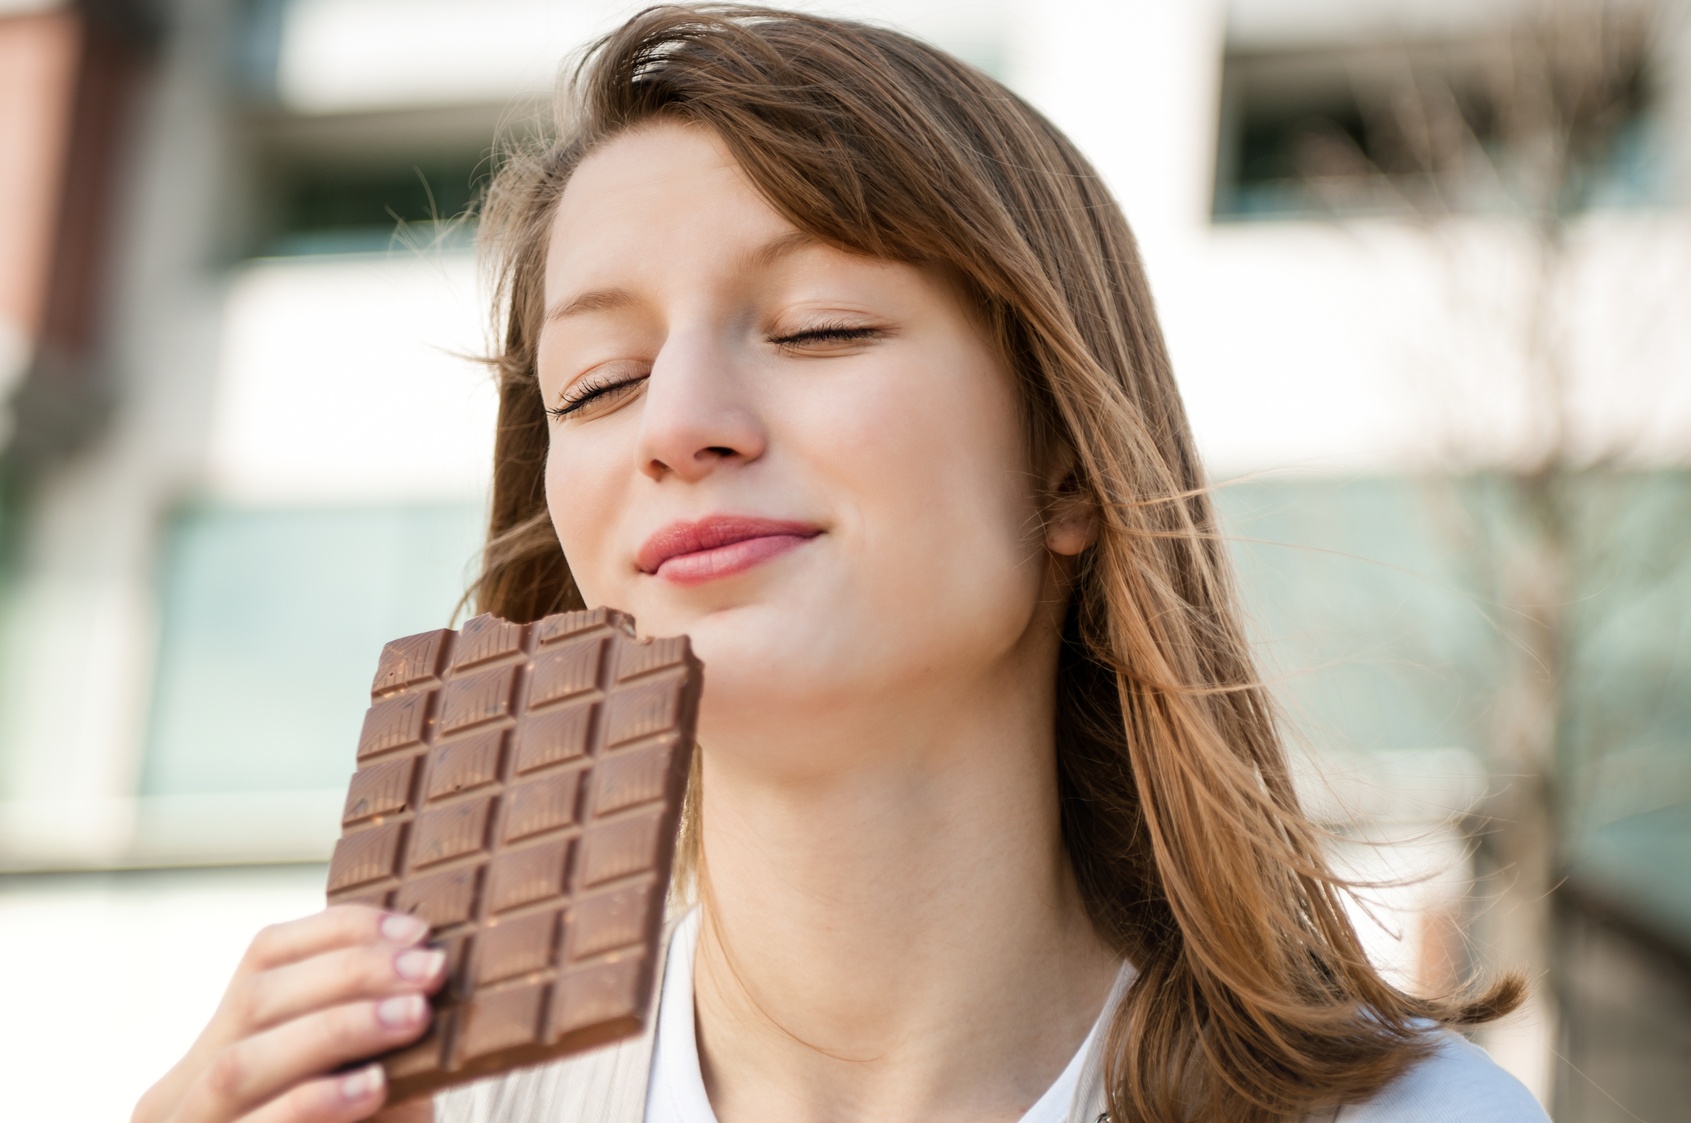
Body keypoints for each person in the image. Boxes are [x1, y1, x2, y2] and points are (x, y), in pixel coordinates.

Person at [134, 7, 1552, 1123]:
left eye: (818, 329)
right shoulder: (426, 1109)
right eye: (600, 382)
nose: (679, 426)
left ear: (1065, 463)